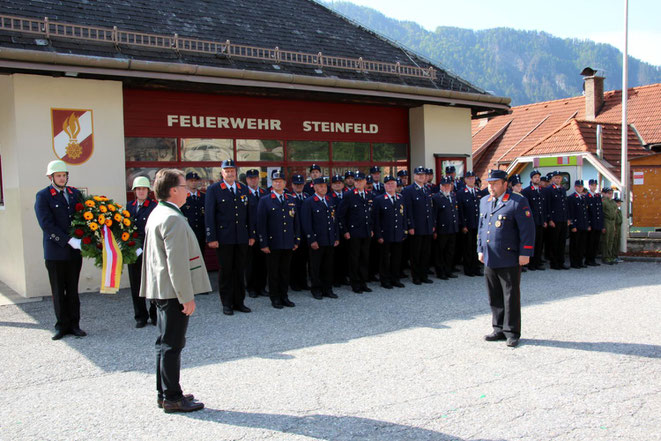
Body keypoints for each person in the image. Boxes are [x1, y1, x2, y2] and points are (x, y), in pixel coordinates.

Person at [140, 168, 210, 413]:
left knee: (164, 342)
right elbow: (177, 263)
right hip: (172, 291)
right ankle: (172, 397)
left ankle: (166, 392)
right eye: (183, 186)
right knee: (173, 344)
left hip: (161, 289)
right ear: (173, 190)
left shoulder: (159, 212)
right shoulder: (172, 218)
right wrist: (186, 297)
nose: (188, 190)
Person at [478, 170, 535, 348]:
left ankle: (512, 332)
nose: (491, 187)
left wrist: (525, 252)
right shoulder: (484, 201)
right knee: (493, 294)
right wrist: (480, 249)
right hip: (490, 256)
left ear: (505, 184)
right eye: (489, 183)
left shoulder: (517, 201)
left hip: (509, 256)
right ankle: (498, 328)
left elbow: (527, 229)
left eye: (495, 183)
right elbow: (481, 228)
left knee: (510, 295)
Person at [35, 160, 86, 341]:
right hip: (55, 251)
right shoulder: (43, 196)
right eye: (58, 176)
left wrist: (83, 238)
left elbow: (84, 217)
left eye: (64, 175)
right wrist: (67, 240)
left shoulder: (74, 194)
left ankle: (75, 324)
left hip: (74, 252)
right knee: (58, 290)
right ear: (51, 177)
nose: (62, 178)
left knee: (72, 290)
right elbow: (46, 224)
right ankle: (61, 326)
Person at [205, 159, 254, 316]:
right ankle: (227, 303)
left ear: (236, 172)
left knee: (239, 270)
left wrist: (251, 234)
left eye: (232, 170)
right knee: (226, 271)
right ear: (222, 173)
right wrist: (211, 237)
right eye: (227, 171)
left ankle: (239, 302)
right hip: (224, 238)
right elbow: (210, 215)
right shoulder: (214, 189)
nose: (230, 173)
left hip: (241, 237)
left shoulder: (243, 189)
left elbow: (249, 215)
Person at [257, 172, 300, 309]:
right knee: (273, 272)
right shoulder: (265, 200)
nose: (278, 183)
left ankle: (284, 296)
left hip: (287, 242)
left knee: (285, 271)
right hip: (273, 243)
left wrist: (296, 240)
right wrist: (263, 243)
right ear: (272, 183)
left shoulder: (291, 199)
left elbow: (296, 222)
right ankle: (275, 298)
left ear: (285, 183)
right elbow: (261, 224)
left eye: (280, 181)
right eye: (275, 181)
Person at [301, 177, 339, 299]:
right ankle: (316, 289)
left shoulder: (330, 200)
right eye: (321, 186)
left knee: (328, 266)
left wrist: (336, 236)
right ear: (315, 187)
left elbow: (334, 220)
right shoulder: (309, 202)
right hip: (317, 240)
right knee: (315, 267)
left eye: (325, 186)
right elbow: (306, 223)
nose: (323, 188)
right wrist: (311, 239)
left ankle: (327, 289)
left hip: (329, 239)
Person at [127, 176, 158, 328]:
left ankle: (154, 314)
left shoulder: (154, 207)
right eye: (138, 189)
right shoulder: (129, 207)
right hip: (133, 251)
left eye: (143, 189)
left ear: (148, 191)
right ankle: (140, 316)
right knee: (136, 285)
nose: (141, 191)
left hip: (150, 250)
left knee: (153, 283)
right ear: (134, 191)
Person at [338, 171, 374, 293]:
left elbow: (371, 214)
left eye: (360, 180)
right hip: (354, 232)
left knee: (365, 258)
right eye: (356, 180)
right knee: (354, 258)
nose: (358, 182)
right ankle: (355, 283)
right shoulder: (349, 195)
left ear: (365, 182)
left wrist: (372, 228)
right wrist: (345, 231)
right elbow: (341, 215)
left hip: (366, 231)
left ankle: (363, 282)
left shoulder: (369, 195)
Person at [402, 166, 434, 285]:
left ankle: (424, 275)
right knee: (416, 253)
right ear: (414, 176)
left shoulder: (426, 189)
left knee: (426, 253)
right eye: (419, 174)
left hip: (427, 226)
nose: (422, 177)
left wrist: (432, 224)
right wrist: (410, 226)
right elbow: (408, 210)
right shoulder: (409, 190)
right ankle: (416, 276)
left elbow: (429, 209)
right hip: (416, 227)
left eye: (423, 175)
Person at [372, 175, 407, 288]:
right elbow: (376, 219)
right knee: (384, 259)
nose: (390, 186)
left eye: (392, 184)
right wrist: (378, 235)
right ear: (384, 186)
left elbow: (404, 216)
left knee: (396, 259)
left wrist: (404, 231)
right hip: (385, 234)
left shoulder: (400, 198)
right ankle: (385, 280)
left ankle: (395, 279)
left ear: (396, 185)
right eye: (387, 184)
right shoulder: (379, 199)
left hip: (398, 234)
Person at [244, 169, 268, 298]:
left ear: (259, 179)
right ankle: (251, 287)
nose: (253, 180)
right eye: (250, 178)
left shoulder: (264, 193)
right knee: (251, 263)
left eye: (255, 178)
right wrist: (249, 234)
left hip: (263, 233)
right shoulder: (244, 194)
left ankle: (262, 287)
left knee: (263, 263)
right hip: (251, 234)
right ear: (246, 180)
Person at [432, 177, 460, 280]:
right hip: (441, 230)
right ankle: (440, 272)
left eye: (449, 185)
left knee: (450, 251)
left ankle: (448, 270)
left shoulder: (452, 196)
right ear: (441, 186)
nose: (447, 187)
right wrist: (434, 230)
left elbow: (454, 213)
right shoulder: (436, 198)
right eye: (445, 185)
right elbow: (434, 215)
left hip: (452, 228)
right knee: (440, 252)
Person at [457, 171, 483, 277]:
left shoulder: (478, 192)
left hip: (477, 224)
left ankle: (476, 267)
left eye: (473, 178)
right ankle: (468, 269)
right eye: (469, 178)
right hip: (468, 225)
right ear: (465, 180)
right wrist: (463, 225)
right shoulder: (461, 193)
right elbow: (461, 211)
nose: (471, 180)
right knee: (468, 248)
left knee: (476, 247)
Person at [521, 170, 547, 270]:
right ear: (531, 179)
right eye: (535, 177)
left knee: (540, 242)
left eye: (538, 177)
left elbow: (543, 207)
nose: (537, 179)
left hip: (540, 220)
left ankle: (538, 261)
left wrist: (544, 220)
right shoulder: (527, 191)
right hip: (531, 221)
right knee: (532, 242)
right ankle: (531, 263)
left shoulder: (542, 190)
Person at [544, 171, 570, 270]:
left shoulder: (562, 189)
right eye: (556, 178)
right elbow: (548, 205)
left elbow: (565, 205)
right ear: (552, 179)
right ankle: (554, 263)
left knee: (562, 242)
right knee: (554, 242)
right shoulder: (549, 190)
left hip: (563, 219)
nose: (558, 179)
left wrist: (568, 218)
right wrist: (550, 219)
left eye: (559, 178)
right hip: (555, 220)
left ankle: (561, 261)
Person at [289, 174, 310, 292]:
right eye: (296, 184)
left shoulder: (307, 196)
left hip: (305, 233)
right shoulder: (289, 197)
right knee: (293, 260)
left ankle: (303, 282)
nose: (298, 186)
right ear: (292, 185)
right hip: (294, 233)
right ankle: (294, 282)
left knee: (304, 259)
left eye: (300, 184)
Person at [329, 175, 349, 287]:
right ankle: (334, 278)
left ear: (343, 184)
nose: (337, 184)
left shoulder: (347, 196)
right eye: (335, 183)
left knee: (344, 255)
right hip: (334, 230)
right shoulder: (329, 197)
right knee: (334, 256)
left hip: (345, 230)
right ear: (331, 185)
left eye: (339, 182)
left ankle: (343, 277)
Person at [180, 172, 206, 256]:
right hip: (187, 233)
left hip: (201, 234)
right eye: (191, 180)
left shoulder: (204, 197)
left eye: (195, 180)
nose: (194, 182)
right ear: (186, 182)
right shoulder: (182, 197)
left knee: (201, 257)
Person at [568, 180, 590, 268]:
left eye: (581, 187)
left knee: (582, 245)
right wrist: (572, 225)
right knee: (575, 245)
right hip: (576, 225)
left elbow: (586, 212)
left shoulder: (583, 198)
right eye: (578, 186)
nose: (580, 188)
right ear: (575, 187)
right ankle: (574, 262)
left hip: (583, 224)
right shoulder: (571, 198)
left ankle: (580, 261)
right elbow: (570, 213)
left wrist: (587, 224)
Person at [585, 179, 604, 266]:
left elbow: (600, 211)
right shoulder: (587, 196)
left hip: (597, 223)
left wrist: (602, 224)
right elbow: (587, 212)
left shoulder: (597, 196)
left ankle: (593, 259)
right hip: (591, 223)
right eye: (592, 185)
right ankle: (588, 259)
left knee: (596, 242)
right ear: (589, 186)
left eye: (595, 185)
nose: (594, 187)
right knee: (590, 243)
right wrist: (588, 224)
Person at [600, 188, 618, 265]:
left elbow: (615, 213)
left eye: (611, 193)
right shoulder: (604, 202)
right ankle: (605, 257)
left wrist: (614, 226)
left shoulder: (613, 202)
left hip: (612, 221)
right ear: (605, 194)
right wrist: (603, 226)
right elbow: (601, 214)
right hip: (606, 221)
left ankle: (610, 256)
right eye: (609, 193)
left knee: (611, 240)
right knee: (606, 240)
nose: (610, 194)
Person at [613, 197, 624, 263]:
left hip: (618, 227)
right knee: (614, 243)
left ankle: (616, 255)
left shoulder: (618, 211)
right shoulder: (613, 210)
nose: (619, 204)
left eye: (620, 203)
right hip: (615, 227)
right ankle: (613, 256)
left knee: (617, 242)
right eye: (618, 203)